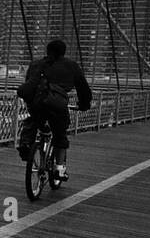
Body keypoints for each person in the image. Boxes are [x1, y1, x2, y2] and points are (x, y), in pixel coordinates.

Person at [16, 39, 93, 181]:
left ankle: (27, 144)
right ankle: (59, 169)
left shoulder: (35, 64)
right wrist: (84, 104)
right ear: (63, 52)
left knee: (35, 121)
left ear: (47, 50)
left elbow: (29, 84)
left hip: (36, 104)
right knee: (60, 134)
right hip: (57, 105)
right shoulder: (71, 66)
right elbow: (83, 89)